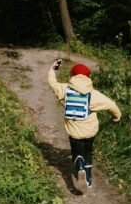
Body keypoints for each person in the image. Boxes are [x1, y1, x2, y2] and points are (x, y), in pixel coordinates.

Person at [48, 59, 121, 193]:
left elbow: (52, 83)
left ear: (72, 76)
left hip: (74, 134)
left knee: (77, 153)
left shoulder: (64, 90)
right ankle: (88, 179)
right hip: (90, 133)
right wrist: (117, 117)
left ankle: (79, 166)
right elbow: (112, 105)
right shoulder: (94, 94)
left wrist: (53, 69)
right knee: (88, 152)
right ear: (88, 77)